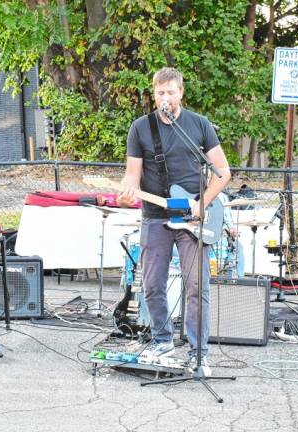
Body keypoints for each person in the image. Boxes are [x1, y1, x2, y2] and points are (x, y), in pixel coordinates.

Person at [118, 67, 231, 376]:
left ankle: (199, 353)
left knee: (197, 287)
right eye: (159, 93)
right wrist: (127, 194)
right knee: (152, 283)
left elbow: (223, 173)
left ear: (181, 93)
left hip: (192, 218)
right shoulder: (141, 128)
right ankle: (162, 339)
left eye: (170, 92)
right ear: (153, 94)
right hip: (155, 216)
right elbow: (132, 175)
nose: (164, 98)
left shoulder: (199, 125)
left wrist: (201, 203)